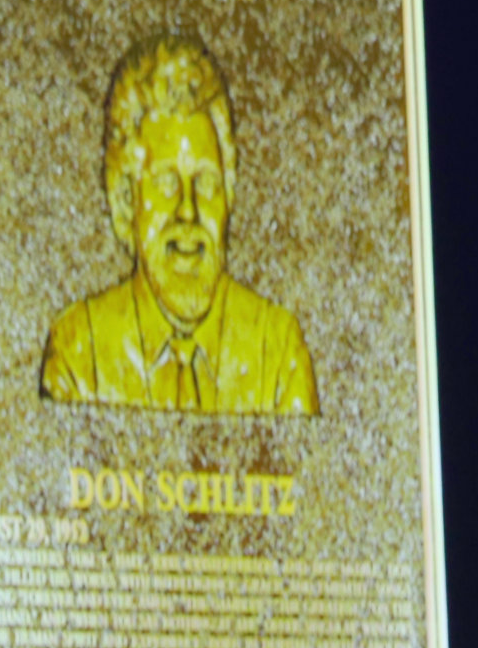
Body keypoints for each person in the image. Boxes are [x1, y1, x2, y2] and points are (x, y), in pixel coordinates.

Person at [41, 36, 318, 416]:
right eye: (166, 183)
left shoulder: (277, 352)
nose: (187, 211)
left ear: (228, 196)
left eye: (205, 183)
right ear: (126, 199)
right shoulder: (80, 351)